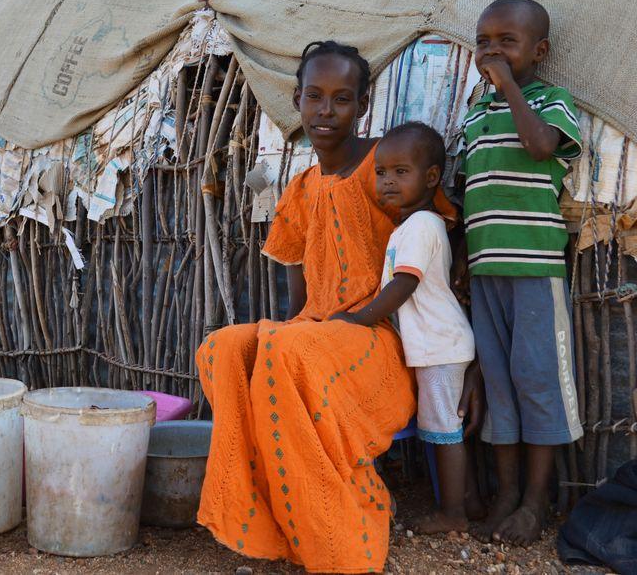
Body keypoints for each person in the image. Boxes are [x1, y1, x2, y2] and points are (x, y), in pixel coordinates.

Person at [194, 41, 472, 573]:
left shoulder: (387, 167)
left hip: (379, 338)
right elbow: (298, 295)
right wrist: (290, 326)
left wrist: (462, 354)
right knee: (224, 347)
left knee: (287, 352)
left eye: (342, 99)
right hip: (317, 331)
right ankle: (263, 515)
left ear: (362, 106)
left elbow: (439, 249)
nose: (326, 111)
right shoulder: (299, 189)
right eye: (315, 97)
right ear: (296, 101)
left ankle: (337, 526)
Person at [456, 0, 584, 546]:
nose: (492, 51)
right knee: (501, 385)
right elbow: (466, 192)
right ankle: (506, 494)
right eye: (484, 41)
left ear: (540, 51)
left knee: (538, 382)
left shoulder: (552, 102)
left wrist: (507, 86)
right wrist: (463, 254)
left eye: (507, 42)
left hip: (535, 269)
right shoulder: (474, 115)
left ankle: (535, 503)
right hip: (487, 271)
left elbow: (539, 148)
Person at [330, 122, 476, 535]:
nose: (387, 181)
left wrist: (361, 317)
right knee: (447, 428)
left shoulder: (421, 227)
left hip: (439, 347)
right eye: (380, 173)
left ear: (431, 178)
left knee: (443, 431)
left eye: (400, 172)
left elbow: (404, 284)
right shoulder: (411, 227)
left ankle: (454, 513)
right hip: (438, 344)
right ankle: (471, 501)